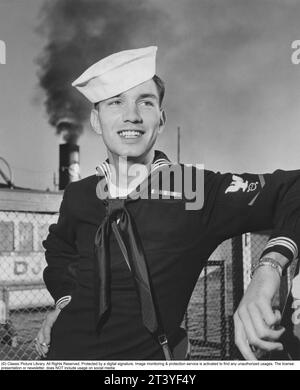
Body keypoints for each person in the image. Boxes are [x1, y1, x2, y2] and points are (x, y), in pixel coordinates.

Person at [35, 46, 300, 360]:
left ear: (160, 120)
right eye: (116, 102)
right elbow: (60, 247)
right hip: (59, 358)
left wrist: (267, 271)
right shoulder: (80, 194)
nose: (131, 114)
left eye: (145, 102)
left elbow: (293, 188)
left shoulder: (192, 189)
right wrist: (64, 301)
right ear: (96, 119)